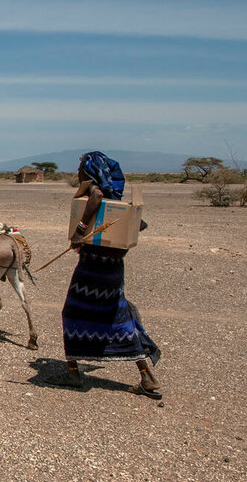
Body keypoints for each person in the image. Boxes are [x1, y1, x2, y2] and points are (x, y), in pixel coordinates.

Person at [48, 151, 162, 399]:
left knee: (72, 312)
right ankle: (147, 376)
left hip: (92, 268)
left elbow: (96, 196)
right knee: (117, 317)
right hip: (113, 270)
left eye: (80, 170)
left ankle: (73, 373)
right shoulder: (119, 203)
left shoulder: (97, 194)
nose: (78, 174)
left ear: (90, 172)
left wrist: (79, 231)